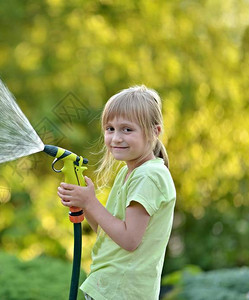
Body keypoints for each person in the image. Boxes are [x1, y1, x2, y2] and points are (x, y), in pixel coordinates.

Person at [57, 85, 176, 300]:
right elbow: (106, 231)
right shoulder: (128, 172)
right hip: (109, 287)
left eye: (127, 129)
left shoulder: (149, 176)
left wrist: (91, 203)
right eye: (110, 129)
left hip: (122, 291)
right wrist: (84, 203)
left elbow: (130, 239)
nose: (116, 138)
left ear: (155, 132)